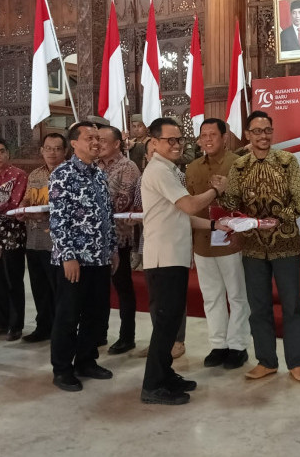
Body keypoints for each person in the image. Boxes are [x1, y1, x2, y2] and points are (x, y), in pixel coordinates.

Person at [140, 117, 229, 405]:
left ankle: (164, 374)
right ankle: (153, 385)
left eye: (179, 140)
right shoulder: (159, 171)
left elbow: (183, 215)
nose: (177, 144)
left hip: (174, 257)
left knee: (170, 323)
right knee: (166, 325)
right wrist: (217, 190)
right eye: (170, 140)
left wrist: (214, 226)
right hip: (163, 259)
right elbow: (190, 204)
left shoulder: (170, 170)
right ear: (153, 143)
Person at [219, 110, 300, 383]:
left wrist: (279, 219)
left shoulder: (287, 161)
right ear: (248, 135)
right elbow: (233, 204)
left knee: (291, 305)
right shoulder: (239, 166)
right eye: (257, 131)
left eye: (267, 130)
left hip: (285, 243)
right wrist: (222, 192)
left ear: (272, 132)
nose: (263, 135)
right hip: (253, 247)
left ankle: (297, 362)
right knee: (258, 306)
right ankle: (266, 361)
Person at [49, 122, 119, 392]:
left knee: (96, 314)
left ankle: (86, 361)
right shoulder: (63, 174)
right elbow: (58, 219)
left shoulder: (99, 173)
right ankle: (62, 369)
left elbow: (106, 217)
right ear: (74, 144)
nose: (96, 142)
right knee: (68, 316)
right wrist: (67, 256)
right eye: (89, 138)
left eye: (99, 138)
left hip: (99, 258)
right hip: (74, 260)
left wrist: (112, 249)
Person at [186, 118, 251, 369]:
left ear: (225, 137)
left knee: (236, 295)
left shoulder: (239, 164)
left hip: (231, 241)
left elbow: (251, 202)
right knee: (211, 296)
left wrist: (229, 189)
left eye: (213, 134)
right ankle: (218, 344)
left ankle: (237, 345)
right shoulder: (192, 168)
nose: (208, 139)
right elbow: (188, 205)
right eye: (204, 135)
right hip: (203, 241)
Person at [97, 124, 140, 355]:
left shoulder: (128, 167)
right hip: (96, 239)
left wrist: (90, 205)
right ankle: (100, 332)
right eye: (96, 140)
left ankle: (127, 336)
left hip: (119, 237)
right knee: (99, 287)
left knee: (123, 287)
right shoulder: (93, 166)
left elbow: (122, 202)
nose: (98, 144)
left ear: (117, 144)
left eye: (103, 140)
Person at [19, 133, 66, 342]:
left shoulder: (68, 174)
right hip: (34, 238)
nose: (52, 153)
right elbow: (27, 199)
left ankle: (61, 328)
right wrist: (22, 208)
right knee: (39, 286)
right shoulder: (35, 175)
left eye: (57, 149)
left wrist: (46, 213)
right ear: (42, 151)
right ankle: (43, 326)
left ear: (65, 151)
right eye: (48, 148)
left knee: (58, 288)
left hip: (57, 242)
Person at [0, 137, 28, 341]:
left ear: (8, 154)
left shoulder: (18, 175)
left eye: (1, 152)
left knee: (13, 280)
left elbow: (14, 204)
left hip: (12, 234)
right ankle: (0, 322)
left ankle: (15, 324)